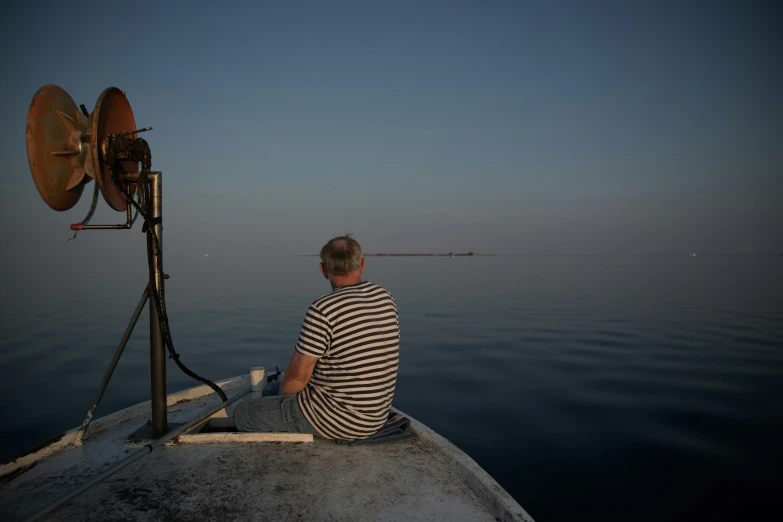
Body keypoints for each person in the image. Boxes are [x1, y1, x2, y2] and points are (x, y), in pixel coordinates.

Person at [233, 235, 400, 440]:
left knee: (244, 413)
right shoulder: (385, 297)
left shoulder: (324, 309)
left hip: (340, 421)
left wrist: (281, 405)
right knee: (272, 389)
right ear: (362, 265)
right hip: (377, 416)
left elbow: (297, 378)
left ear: (323, 270)